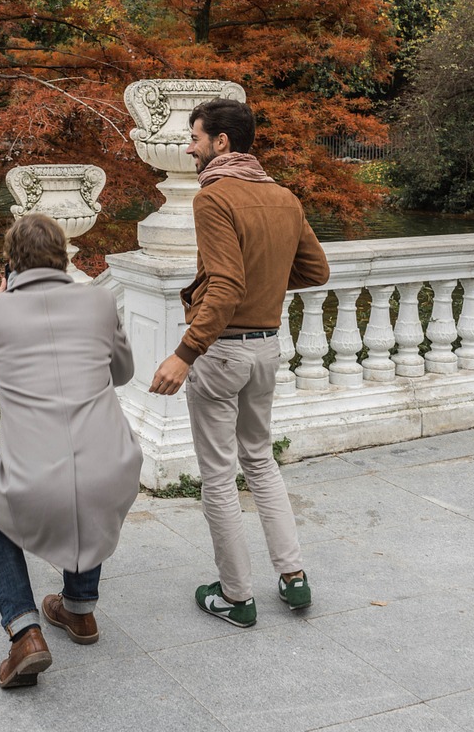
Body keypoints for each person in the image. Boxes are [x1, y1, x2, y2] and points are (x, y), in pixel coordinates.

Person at [150, 99, 330, 628]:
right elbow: (316, 270)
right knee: (260, 460)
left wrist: (185, 354)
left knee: (218, 477)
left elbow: (225, 285)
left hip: (223, 350)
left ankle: (235, 595)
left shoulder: (214, 198)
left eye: (195, 137)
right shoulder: (283, 196)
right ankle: (294, 579)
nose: (189, 148)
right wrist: (266, 285)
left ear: (221, 143)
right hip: (267, 348)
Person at [0, 212, 142, 689]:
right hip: (113, 469)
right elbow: (122, 374)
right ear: (63, 258)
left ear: (9, 263)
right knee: (83, 481)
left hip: (35, 480)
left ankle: (24, 631)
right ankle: (80, 611)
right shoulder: (100, 302)